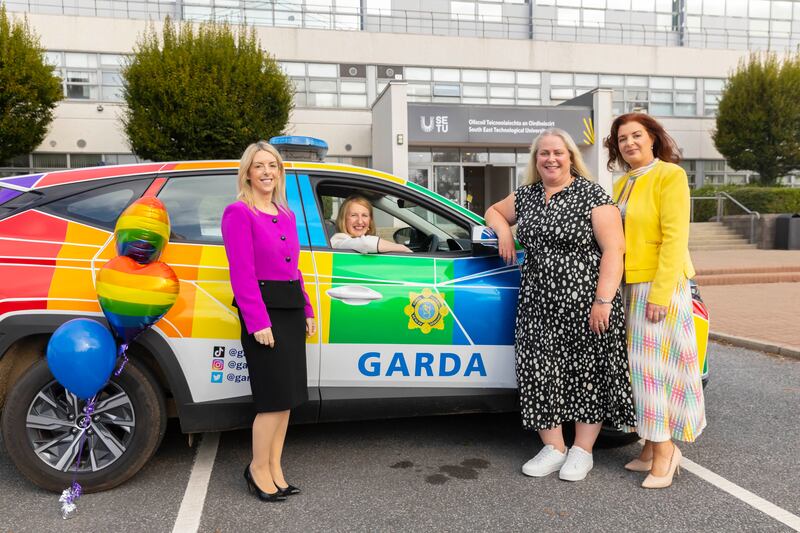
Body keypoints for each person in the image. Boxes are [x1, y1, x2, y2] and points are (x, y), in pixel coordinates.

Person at [485, 128, 636, 482]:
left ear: (571, 157)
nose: (551, 159)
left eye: (558, 153)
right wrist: (505, 230)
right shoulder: (526, 196)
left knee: (585, 373)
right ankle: (554, 447)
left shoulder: (591, 194)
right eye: (544, 154)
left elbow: (615, 249)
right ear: (536, 160)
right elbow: (492, 211)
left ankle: (582, 451)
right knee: (540, 370)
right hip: (537, 302)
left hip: (585, 300)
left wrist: (604, 301)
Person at [604, 113, 706, 489]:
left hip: (659, 288)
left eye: (636, 135)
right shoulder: (622, 182)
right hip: (631, 286)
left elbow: (675, 238)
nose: (629, 143)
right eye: (622, 138)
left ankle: (666, 453)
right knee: (639, 372)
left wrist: (661, 294)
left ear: (652, 138)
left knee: (653, 374)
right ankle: (649, 446)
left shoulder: (670, 176)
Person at [221, 141, 316, 502]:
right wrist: (257, 321)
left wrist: (306, 308)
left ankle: (275, 467)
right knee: (272, 399)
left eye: (272, 166)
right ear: (247, 172)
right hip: (263, 313)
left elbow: (295, 270)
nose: (266, 172)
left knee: (287, 399)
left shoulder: (285, 213)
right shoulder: (238, 213)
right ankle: (257, 468)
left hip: (289, 309)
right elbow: (241, 274)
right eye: (259, 166)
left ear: (280, 172)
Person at [330, 195, 412, 253]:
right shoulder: (337, 241)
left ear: (370, 221)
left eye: (364, 215)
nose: (360, 221)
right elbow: (367, 243)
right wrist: (404, 248)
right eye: (353, 215)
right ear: (343, 219)